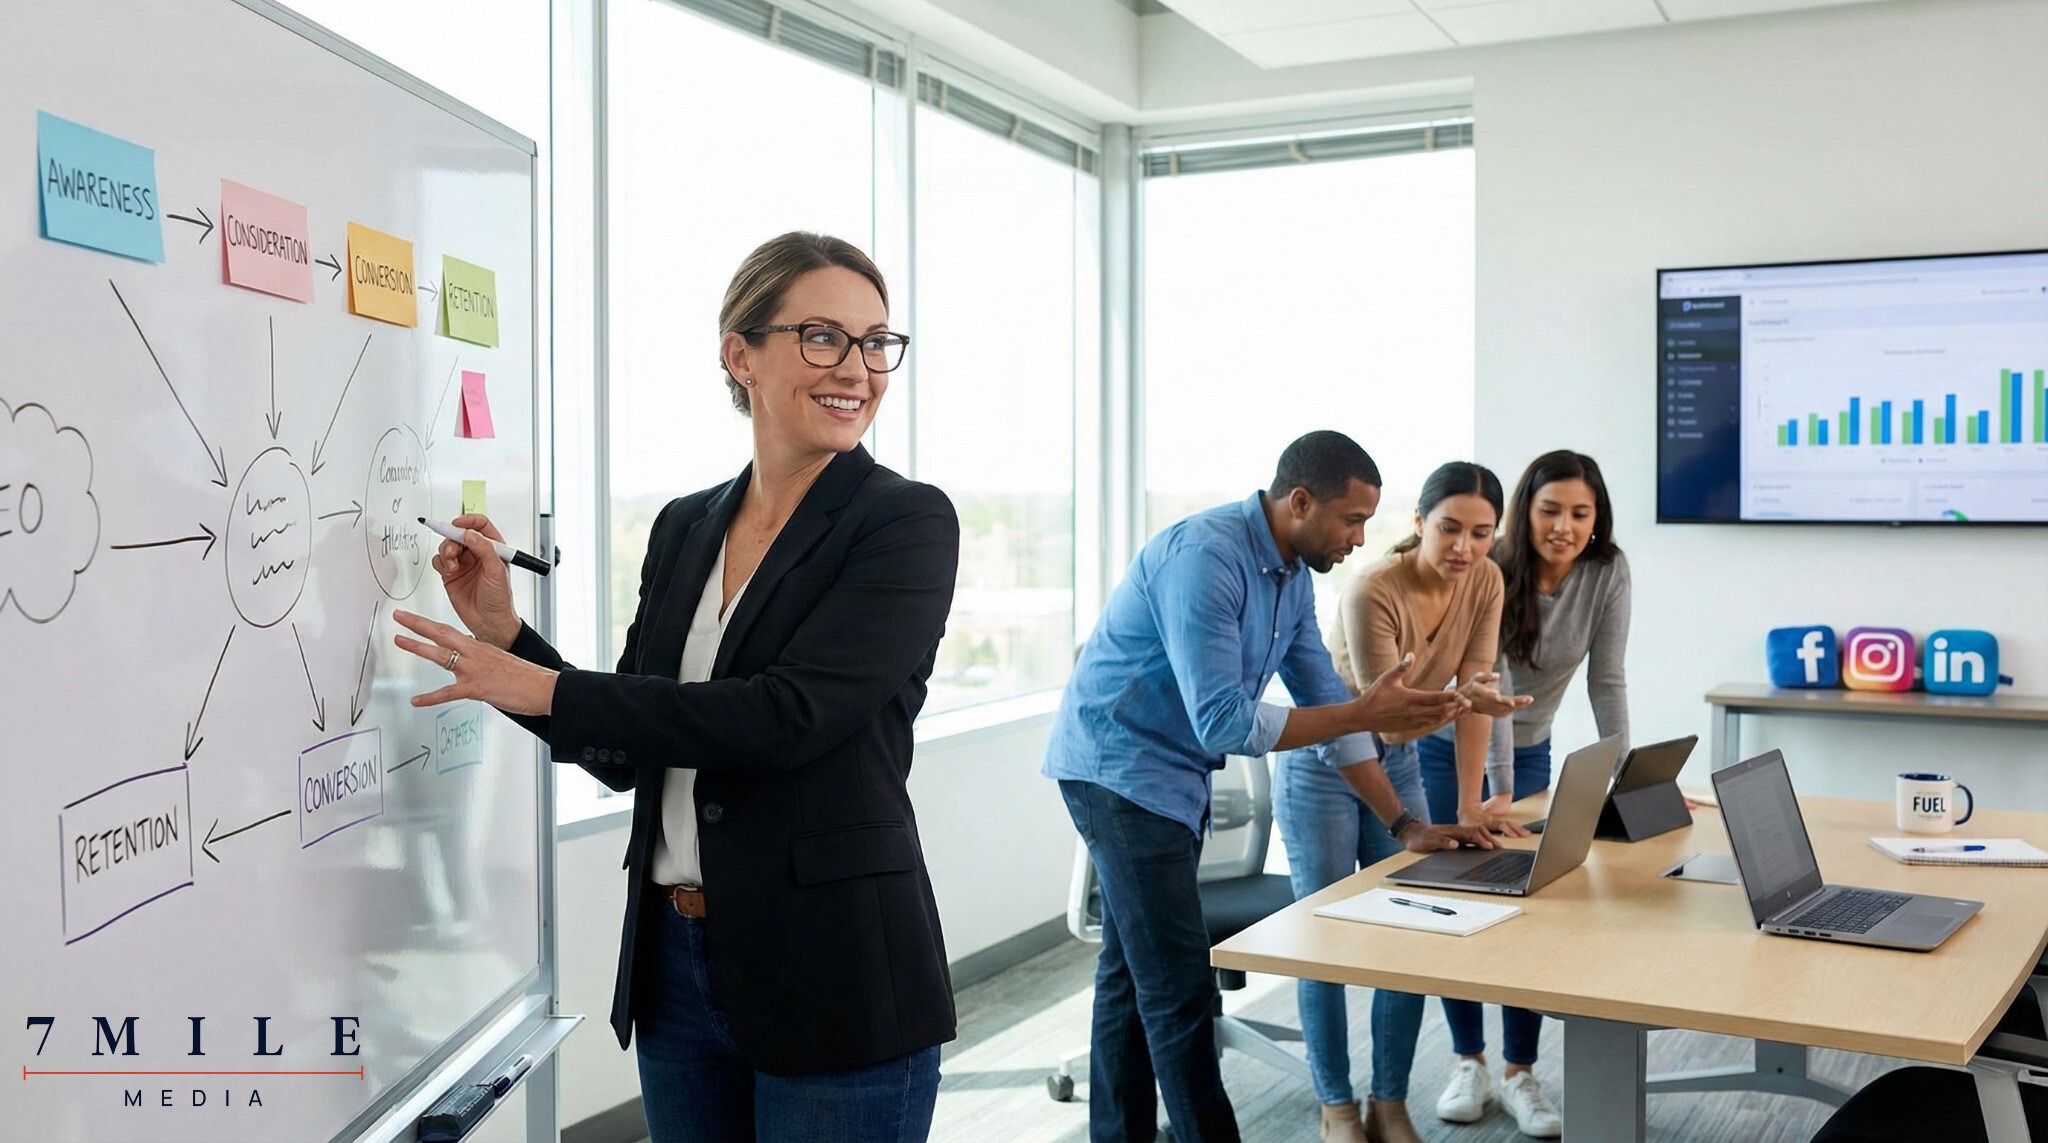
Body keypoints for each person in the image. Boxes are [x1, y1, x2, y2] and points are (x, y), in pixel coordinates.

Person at [389, 232, 958, 1143]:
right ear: (741, 353)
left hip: (833, 968)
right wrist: (506, 638)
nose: (857, 367)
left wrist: (542, 687)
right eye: (823, 336)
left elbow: (785, 717)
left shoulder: (904, 521)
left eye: (875, 341)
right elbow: (629, 749)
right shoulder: (686, 525)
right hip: (676, 966)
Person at [1044, 431, 1499, 1143]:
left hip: (1170, 778)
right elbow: (1226, 720)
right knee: (1178, 987)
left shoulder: (1289, 580)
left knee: (1130, 973)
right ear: (1300, 502)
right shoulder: (1207, 557)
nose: (1360, 538)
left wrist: (1404, 823)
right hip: (1118, 770)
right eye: (1352, 520)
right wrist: (1364, 711)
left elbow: (1329, 705)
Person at [1283, 460, 1532, 1143]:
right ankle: (1336, 1106)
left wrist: (1472, 804)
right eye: (1449, 528)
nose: (1465, 547)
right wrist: (1464, 699)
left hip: (1399, 761)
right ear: (1420, 522)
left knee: (1410, 930)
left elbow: (1478, 692)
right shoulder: (1374, 588)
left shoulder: (1486, 579)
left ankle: (1388, 1102)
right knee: (1325, 941)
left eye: (1482, 532)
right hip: (1328, 764)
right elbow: (1388, 720)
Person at [1415, 450, 1629, 1139]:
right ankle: (1468, 1061)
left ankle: (1518, 1071)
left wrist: (1623, 778)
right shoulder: (1493, 567)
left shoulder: (1607, 571)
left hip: (1530, 748)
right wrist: (1494, 790)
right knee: (1456, 900)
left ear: (1596, 518)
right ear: (1523, 512)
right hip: (1451, 743)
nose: (1563, 526)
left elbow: (1607, 679)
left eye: (1579, 513)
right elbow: (1491, 687)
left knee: (1526, 905)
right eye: (1549, 510)